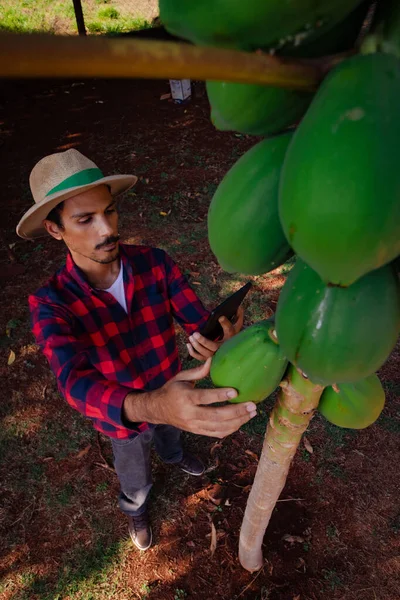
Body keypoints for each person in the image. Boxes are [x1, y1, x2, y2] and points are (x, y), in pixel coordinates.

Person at [17, 149, 257, 551]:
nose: (106, 229)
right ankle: (135, 507)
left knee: (171, 435)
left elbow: (196, 319)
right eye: (85, 219)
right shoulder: (51, 303)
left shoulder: (155, 264)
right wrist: (151, 406)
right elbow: (74, 383)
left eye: (109, 212)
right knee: (134, 474)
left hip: (172, 386)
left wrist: (222, 333)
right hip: (120, 419)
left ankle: (174, 455)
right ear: (54, 229)